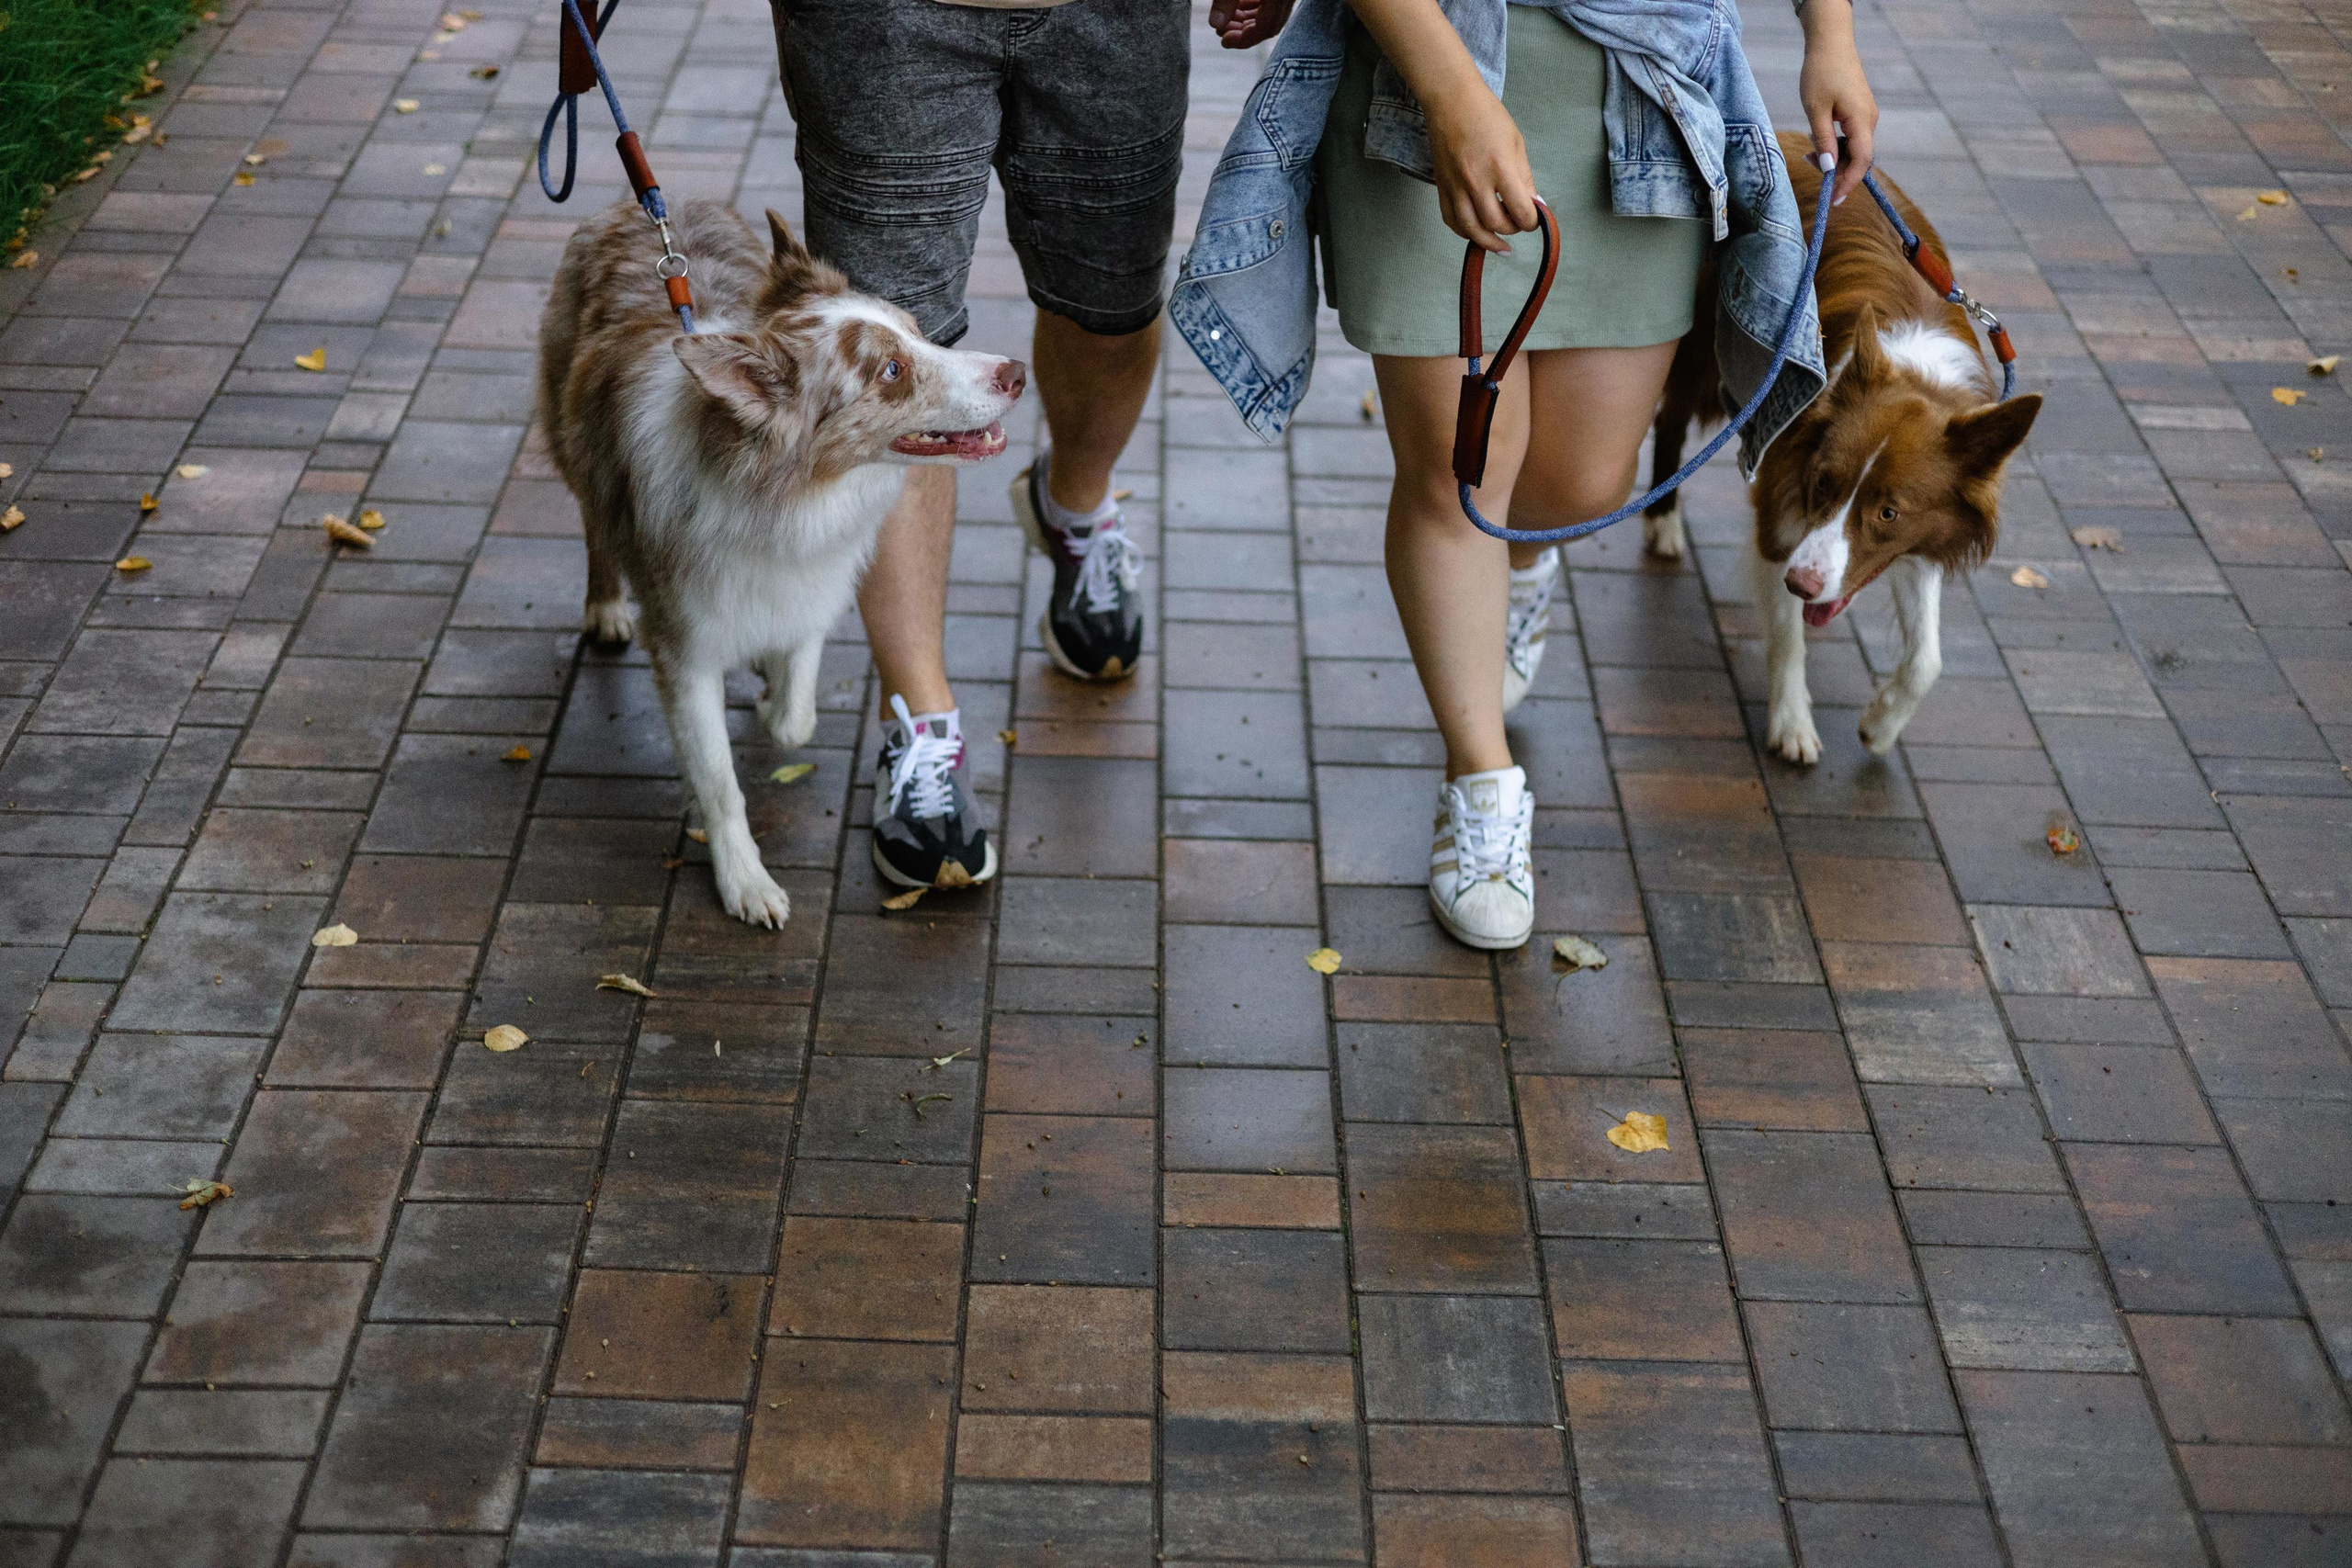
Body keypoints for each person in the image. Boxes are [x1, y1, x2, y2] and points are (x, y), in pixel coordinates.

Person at [1174, 0, 1877, 949]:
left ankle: (1515, 571)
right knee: (1458, 474)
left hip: (1646, 83)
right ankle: (1482, 787)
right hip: (1424, 70)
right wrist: (1453, 95)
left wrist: (1828, 32)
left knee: (1583, 485)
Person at [768, 0, 1180, 890]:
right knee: (889, 379)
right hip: (883, 21)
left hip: (1119, 16)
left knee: (1111, 304)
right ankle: (921, 723)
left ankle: (1072, 505)